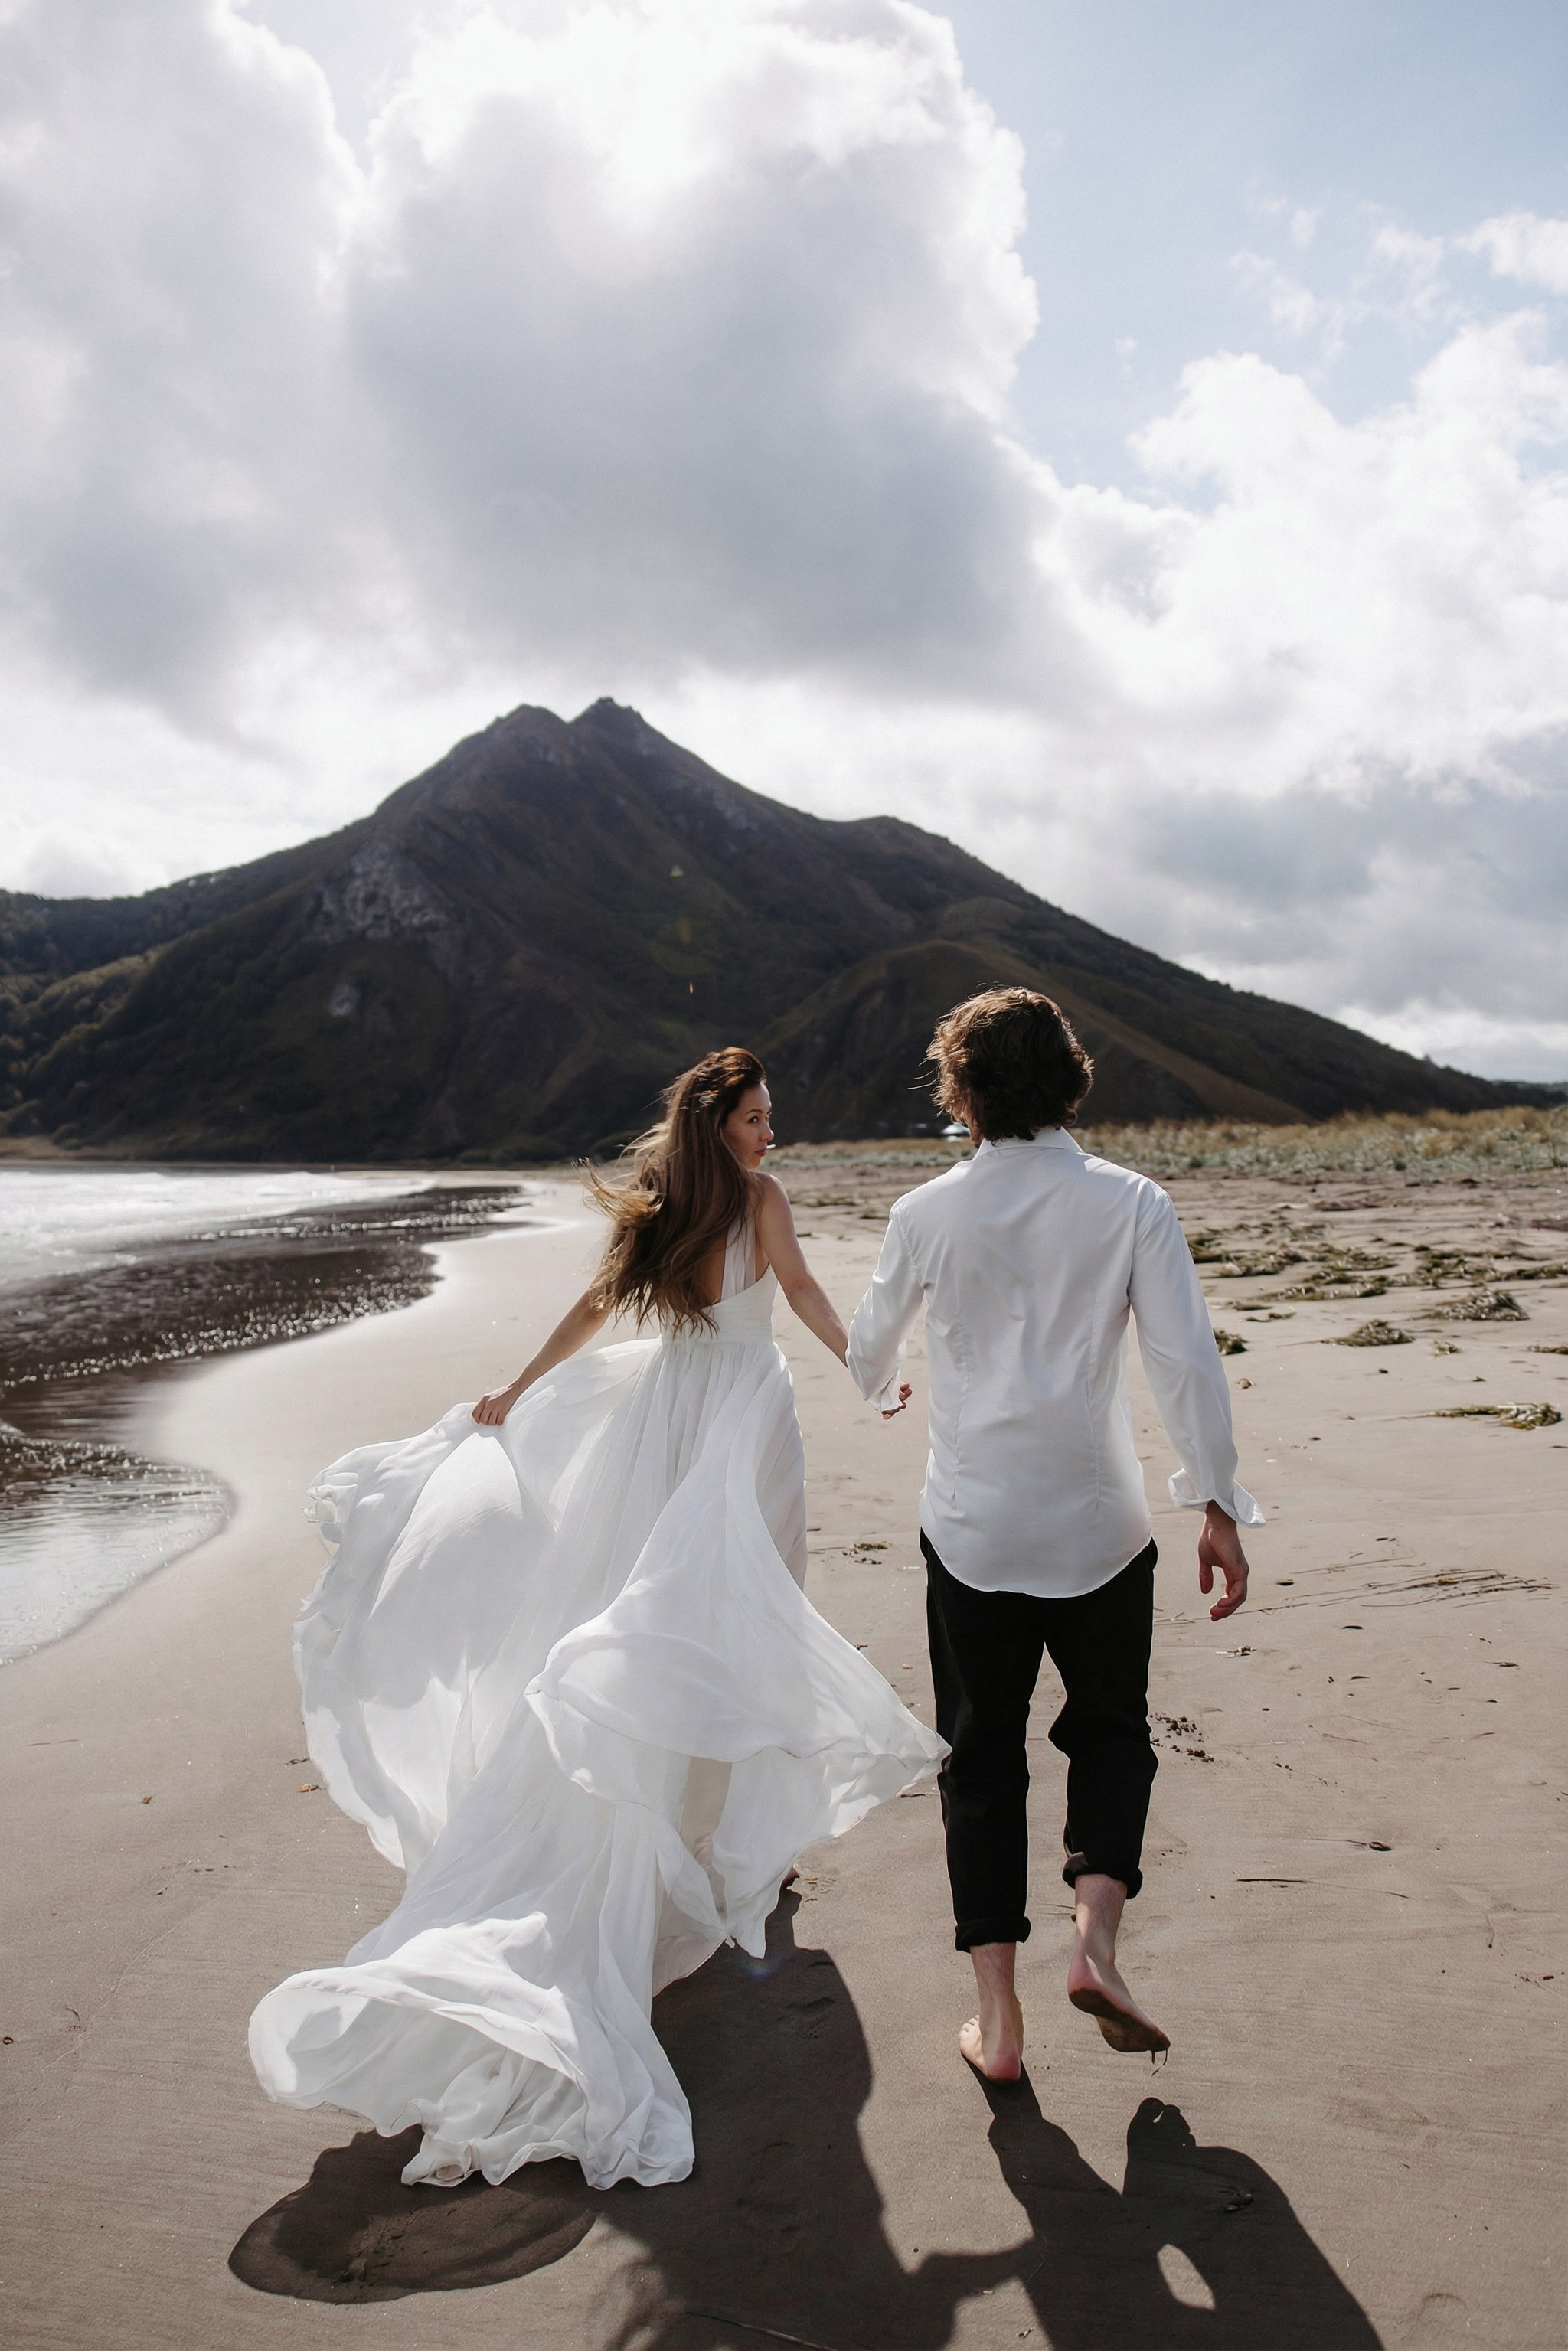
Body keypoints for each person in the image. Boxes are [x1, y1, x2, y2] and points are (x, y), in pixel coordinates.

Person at [249, 1048, 943, 2190]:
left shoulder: (668, 1204)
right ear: (717, 1124)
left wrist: (525, 1388)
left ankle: (705, 1838)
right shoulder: (755, 1202)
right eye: (756, 1118)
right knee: (737, 1617)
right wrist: (864, 1369)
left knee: (681, 1619)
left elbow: (601, 1306)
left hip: (671, 1411)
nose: (771, 1135)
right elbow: (798, 1292)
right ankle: (713, 1848)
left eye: (771, 1118)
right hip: (739, 1416)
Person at [845, 990, 1260, 2080]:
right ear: (1069, 1081)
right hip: (1099, 1524)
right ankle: (1094, 1944)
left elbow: (868, 1348)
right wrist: (1216, 1504)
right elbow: (1184, 1363)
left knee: (981, 1759)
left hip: (973, 1525)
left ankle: (999, 2024)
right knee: (1113, 1734)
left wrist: (888, 1385)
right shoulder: (1132, 1202)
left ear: (964, 1093)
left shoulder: (925, 1213)